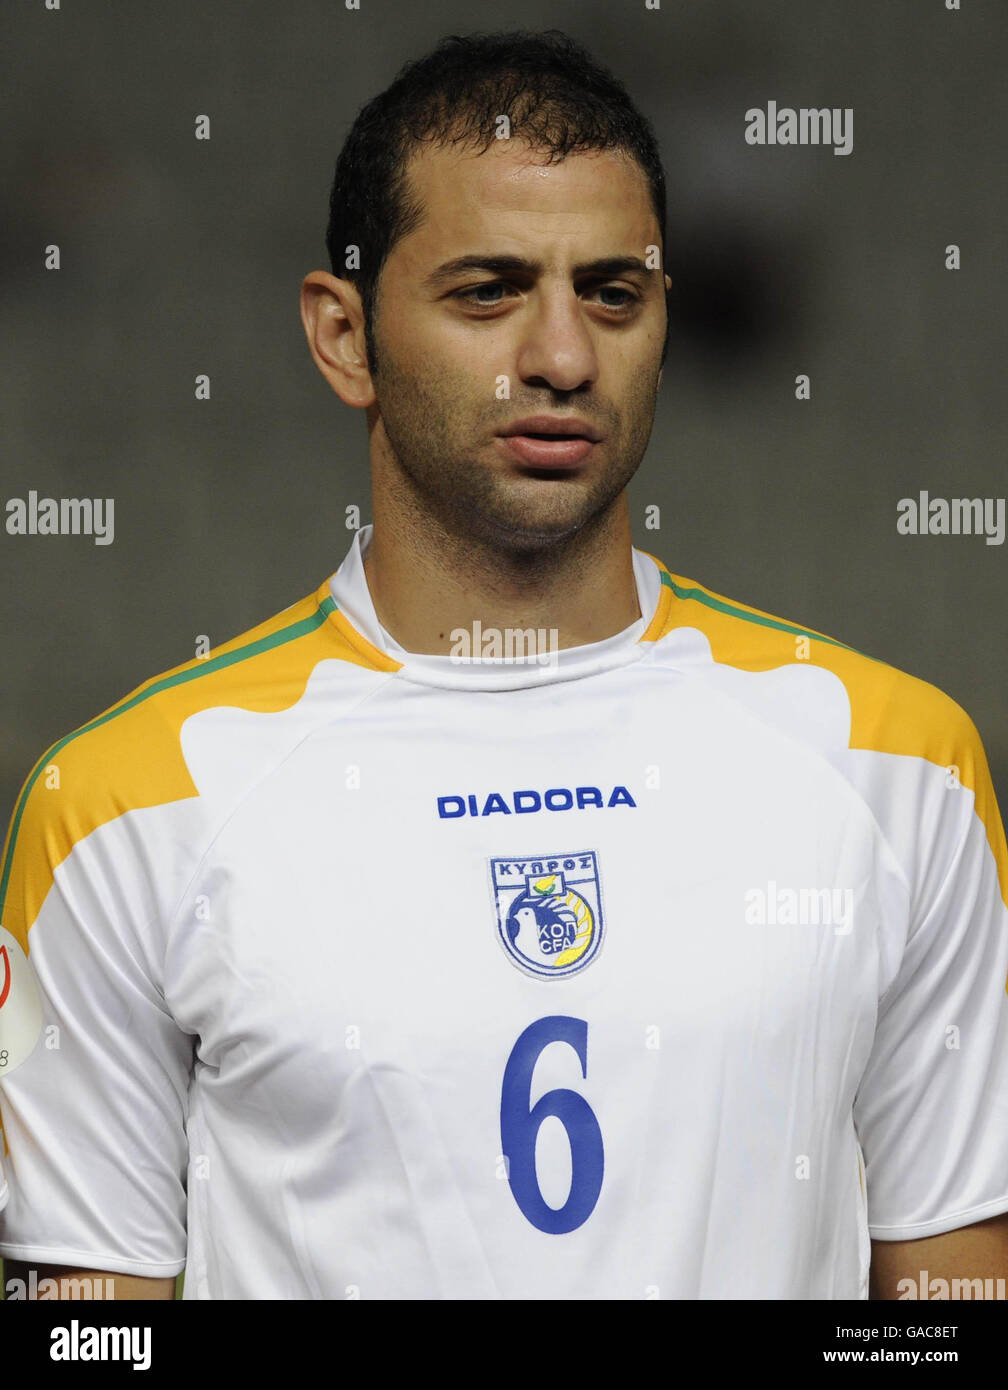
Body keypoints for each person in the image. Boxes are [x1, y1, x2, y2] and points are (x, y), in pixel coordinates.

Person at [1, 29, 1006, 1301]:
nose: (564, 358)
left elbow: (952, 1303)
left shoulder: (897, 763)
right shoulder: (122, 809)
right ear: (343, 336)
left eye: (612, 294)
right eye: (488, 291)